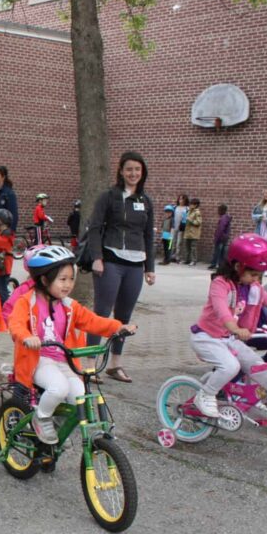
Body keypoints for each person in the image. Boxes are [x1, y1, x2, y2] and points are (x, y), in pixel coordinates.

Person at [9, 246, 135, 443]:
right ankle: (41, 419)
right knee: (58, 388)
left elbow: (93, 321)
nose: (68, 284)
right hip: (39, 360)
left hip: (64, 361)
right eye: (62, 279)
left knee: (80, 396)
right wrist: (26, 336)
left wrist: (118, 328)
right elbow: (15, 323)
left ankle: (58, 427)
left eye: (71, 279)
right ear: (44, 280)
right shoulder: (27, 302)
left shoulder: (68, 305)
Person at [189, 234, 267, 418]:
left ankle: (251, 399)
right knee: (231, 366)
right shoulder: (220, 284)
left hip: (228, 338)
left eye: (259, 276)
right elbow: (222, 311)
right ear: (238, 267)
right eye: (253, 274)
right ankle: (206, 394)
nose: (256, 280)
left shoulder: (251, 287)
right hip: (207, 337)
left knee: (258, 367)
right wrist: (236, 329)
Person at [86, 151, 156, 384]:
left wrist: (150, 267)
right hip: (111, 261)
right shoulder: (109, 196)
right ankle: (90, 365)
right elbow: (94, 227)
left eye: (137, 169)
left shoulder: (145, 201)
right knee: (101, 314)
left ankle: (115, 365)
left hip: (135, 265)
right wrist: (97, 257)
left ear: (142, 172)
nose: (133, 173)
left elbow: (148, 235)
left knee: (123, 317)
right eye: (129, 169)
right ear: (121, 171)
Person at [208, 203, 231, 271]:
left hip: (221, 238)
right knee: (222, 252)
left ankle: (214, 264)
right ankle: (220, 265)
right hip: (225, 238)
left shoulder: (223, 218)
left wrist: (217, 238)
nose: (217, 211)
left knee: (217, 252)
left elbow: (220, 229)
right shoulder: (226, 218)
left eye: (218, 210)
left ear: (221, 210)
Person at [182, 198, 203, 265]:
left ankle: (193, 260)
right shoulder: (189, 211)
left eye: (192, 204)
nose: (190, 205)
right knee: (187, 247)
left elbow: (198, 222)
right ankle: (187, 260)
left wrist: (190, 220)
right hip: (187, 232)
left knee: (193, 247)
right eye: (190, 204)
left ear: (196, 205)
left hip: (194, 233)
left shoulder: (197, 212)